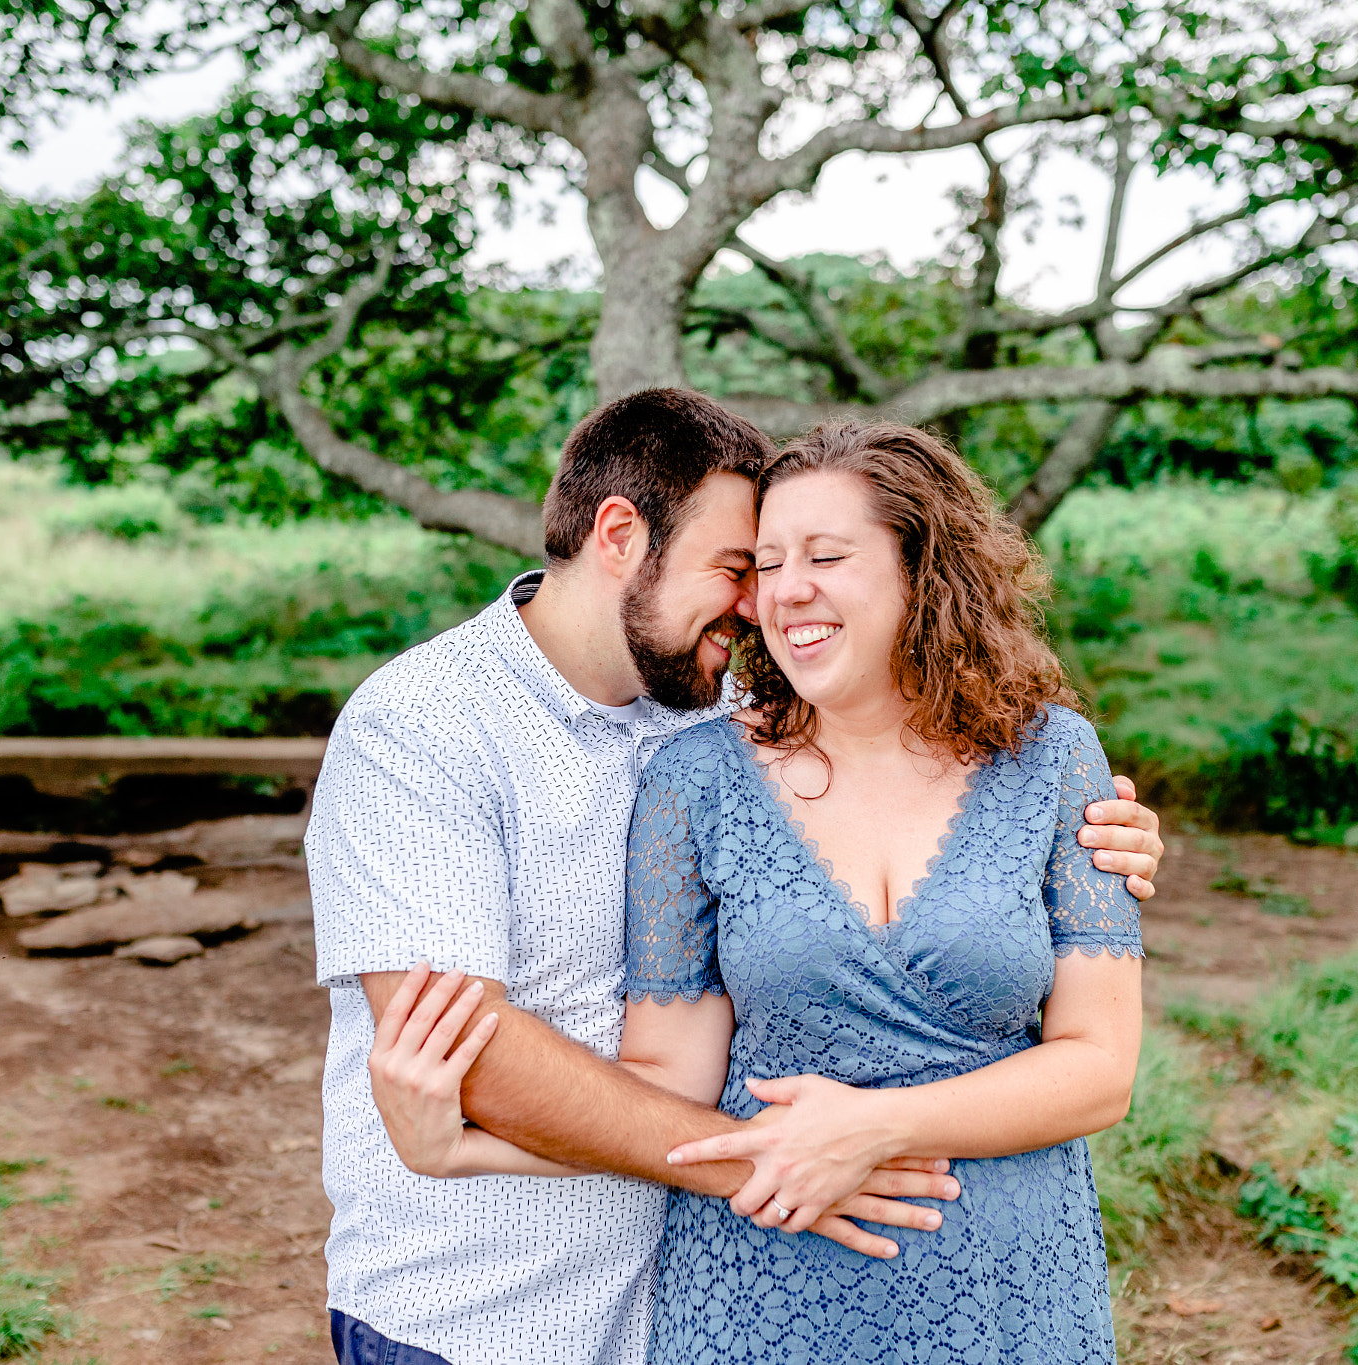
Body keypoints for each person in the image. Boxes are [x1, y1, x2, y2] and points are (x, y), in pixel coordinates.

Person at [309, 392, 1166, 1365]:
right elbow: (469, 1050)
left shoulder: (717, 698)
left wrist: (1095, 843)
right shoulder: (423, 728)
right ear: (621, 536)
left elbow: (1088, 1034)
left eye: (803, 561)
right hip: (491, 1308)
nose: (760, 602)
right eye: (742, 566)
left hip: (715, 1280)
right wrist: (785, 1157)